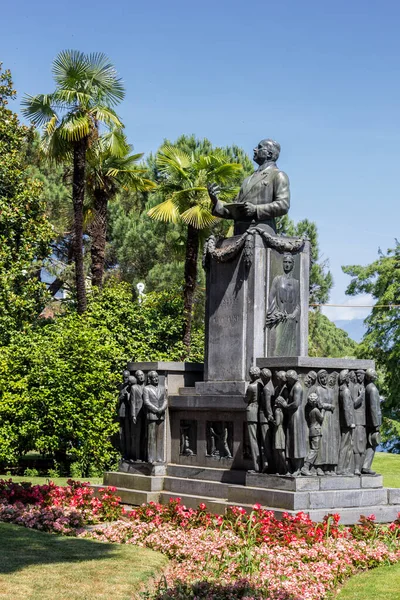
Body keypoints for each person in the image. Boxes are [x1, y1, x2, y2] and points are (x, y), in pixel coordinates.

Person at [207, 139, 290, 236]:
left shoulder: (278, 175)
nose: (255, 149)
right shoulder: (247, 180)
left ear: (269, 154)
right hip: (239, 234)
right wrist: (216, 201)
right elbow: (236, 209)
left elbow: (283, 205)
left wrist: (256, 209)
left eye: (259, 148)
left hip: (261, 235)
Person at [266, 253, 300, 356]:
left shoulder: (296, 283)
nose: (287, 264)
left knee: (289, 351)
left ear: (293, 265)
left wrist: (294, 314)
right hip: (279, 317)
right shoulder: (277, 279)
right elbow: (271, 296)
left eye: (289, 262)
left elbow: (298, 303)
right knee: (276, 350)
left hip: (291, 319)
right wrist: (275, 312)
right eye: (285, 262)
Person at [284, 370, 307, 475]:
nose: (287, 382)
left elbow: (296, 403)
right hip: (292, 416)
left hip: (296, 416)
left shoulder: (297, 387)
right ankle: (293, 467)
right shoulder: (293, 386)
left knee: (297, 442)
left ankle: (298, 469)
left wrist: (285, 405)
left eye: (288, 380)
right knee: (292, 442)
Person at [143, 371, 167, 463]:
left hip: (161, 415)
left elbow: (165, 400)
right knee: (151, 437)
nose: (156, 379)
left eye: (157, 377)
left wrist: (161, 408)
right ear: (150, 379)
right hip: (152, 415)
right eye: (154, 377)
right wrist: (156, 409)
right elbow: (146, 402)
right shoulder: (146, 389)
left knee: (160, 437)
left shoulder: (162, 388)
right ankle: (151, 457)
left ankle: (159, 457)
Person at [362, 369, 382, 475]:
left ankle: (364, 465)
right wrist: (376, 424)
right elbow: (374, 407)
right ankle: (366, 466)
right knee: (372, 443)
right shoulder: (373, 389)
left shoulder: (366, 387)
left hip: (367, 421)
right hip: (372, 422)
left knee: (369, 443)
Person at [301, 392, 325, 476]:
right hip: (316, 430)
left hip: (311, 429)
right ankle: (305, 466)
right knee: (315, 450)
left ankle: (311, 468)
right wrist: (323, 410)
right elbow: (321, 419)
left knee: (313, 448)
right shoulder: (316, 410)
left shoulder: (308, 409)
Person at [337, 370, 356, 475]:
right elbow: (346, 408)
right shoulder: (346, 391)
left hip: (345, 423)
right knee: (346, 446)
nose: (349, 378)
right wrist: (350, 423)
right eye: (348, 376)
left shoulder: (341, 390)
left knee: (348, 445)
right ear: (345, 378)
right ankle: (341, 469)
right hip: (347, 424)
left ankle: (346, 468)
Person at [244, 366, 262, 472]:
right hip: (259, 411)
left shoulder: (251, 386)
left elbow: (246, 399)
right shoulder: (261, 384)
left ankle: (256, 466)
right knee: (258, 439)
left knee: (253, 439)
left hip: (251, 412)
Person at [259, 368, 275, 472]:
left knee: (266, 443)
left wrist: (269, 416)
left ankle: (270, 465)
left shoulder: (266, 389)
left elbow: (268, 405)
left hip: (264, 418)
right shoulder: (272, 386)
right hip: (268, 417)